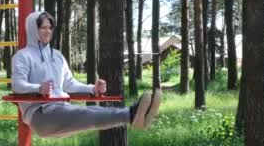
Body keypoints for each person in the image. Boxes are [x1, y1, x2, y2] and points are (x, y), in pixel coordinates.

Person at [11, 11, 161, 138]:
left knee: (93, 110)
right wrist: (38, 88)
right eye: (43, 28)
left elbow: (69, 83)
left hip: (60, 108)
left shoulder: (56, 56)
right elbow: (17, 85)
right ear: (32, 30)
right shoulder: (23, 56)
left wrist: (92, 89)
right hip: (40, 115)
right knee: (84, 112)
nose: (48, 31)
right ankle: (132, 114)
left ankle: (134, 116)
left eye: (50, 27)